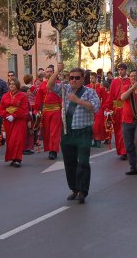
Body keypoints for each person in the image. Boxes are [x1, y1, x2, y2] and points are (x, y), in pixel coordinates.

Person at [47, 62, 100, 204]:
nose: (73, 80)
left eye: (77, 78)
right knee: (69, 163)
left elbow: (95, 107)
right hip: (67, 132)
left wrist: (77, 100)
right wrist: (57, 71)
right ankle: (74, 189)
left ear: (83, 79)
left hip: (83, 132)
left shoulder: (90, 92)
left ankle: (83, 191)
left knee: (83, 162)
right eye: (71, 78)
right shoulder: (65, 89)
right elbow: (50, 86)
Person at [33, 65, 63, 160]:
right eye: (47, 71)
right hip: (45, 111)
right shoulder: (42, 85)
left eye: (51, 71)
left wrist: (63, 108)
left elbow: (62, 98)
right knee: (47, 132)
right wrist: (36, 110)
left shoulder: (59, 84)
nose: (49, 73)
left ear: (54, 73)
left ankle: (53, 151)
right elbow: (38, 99)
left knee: (54, 131)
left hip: (56, 110)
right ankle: (49, 148)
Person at [0, 77, 30, 167]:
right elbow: (1, 108)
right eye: (10, 84)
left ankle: (18, 159)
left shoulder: (22, 96)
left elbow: (24, 109)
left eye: (13, 84)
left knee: (18, 139)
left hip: (19, 121)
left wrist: (14, 115)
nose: (11, 85)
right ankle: (13, 158)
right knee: (10, 140)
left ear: (17, 85)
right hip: (8, 121)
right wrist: (7, 115)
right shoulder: (5, 96)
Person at [103, 63, 131, 160]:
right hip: (116, 111)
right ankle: (120, 150)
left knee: (124, 131)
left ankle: (125, 151)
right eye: (119, 70)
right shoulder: (114, 82)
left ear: (126, 70)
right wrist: (107, 109)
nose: (120, 71)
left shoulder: (130, 81)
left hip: (126, 110)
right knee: (118, 132)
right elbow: (110, 97)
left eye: (122, 69)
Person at [87, 72, 108, 147]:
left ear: (96, 78)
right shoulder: (87, 87)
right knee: (90, 125)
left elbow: (105, 98)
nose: (91, 79)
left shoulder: (100, 87)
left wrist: (104, 108)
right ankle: (93, 140)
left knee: (97, 125)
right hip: (89, 109)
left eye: (92, 78)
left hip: (99, 109)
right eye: (90, 78)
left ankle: (98, 140)